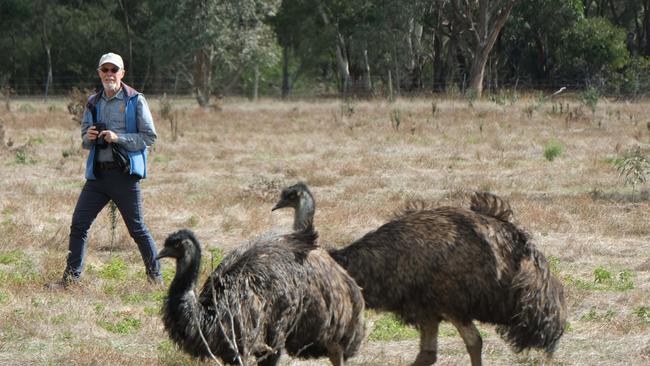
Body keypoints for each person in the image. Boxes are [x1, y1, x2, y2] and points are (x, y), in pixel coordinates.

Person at [51, 52, 162, 288]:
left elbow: (149, 137)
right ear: (99, 73)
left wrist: (118, 138)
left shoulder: (135, 99)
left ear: (123, 73)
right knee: (79, 224)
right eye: (105, 70)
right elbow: (83, 138)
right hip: (98, 176)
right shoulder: (93, 102)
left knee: (137, 229)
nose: (109, 74)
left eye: (114, 70)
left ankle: (156, 280)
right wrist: (89, 137)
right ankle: (70, 281)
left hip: (125, 175)